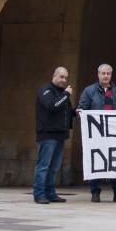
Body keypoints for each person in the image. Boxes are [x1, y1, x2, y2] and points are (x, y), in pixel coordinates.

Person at [77, 63, 116, 203]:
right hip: (96, 135)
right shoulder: (89, 91)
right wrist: (81, 114)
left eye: (108, 73)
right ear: (98, 74)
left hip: (114, 135)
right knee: (96, 161)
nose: (106, 76)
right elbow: (81, 109)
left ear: (111, 75)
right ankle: (95, 192)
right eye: (103, 73)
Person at [33, 66, 73, 204]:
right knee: (43, 166)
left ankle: (50, 193)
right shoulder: (46, 90)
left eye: (66, 77)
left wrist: (75, 112)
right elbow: (52, 106)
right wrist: (66, 95)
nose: (64, 80)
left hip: (60, 135)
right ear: (54, 76)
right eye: (61, 77)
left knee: (54, 167)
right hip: (47, 135)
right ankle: (39, 194)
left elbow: (65, 110)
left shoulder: (62, 93)